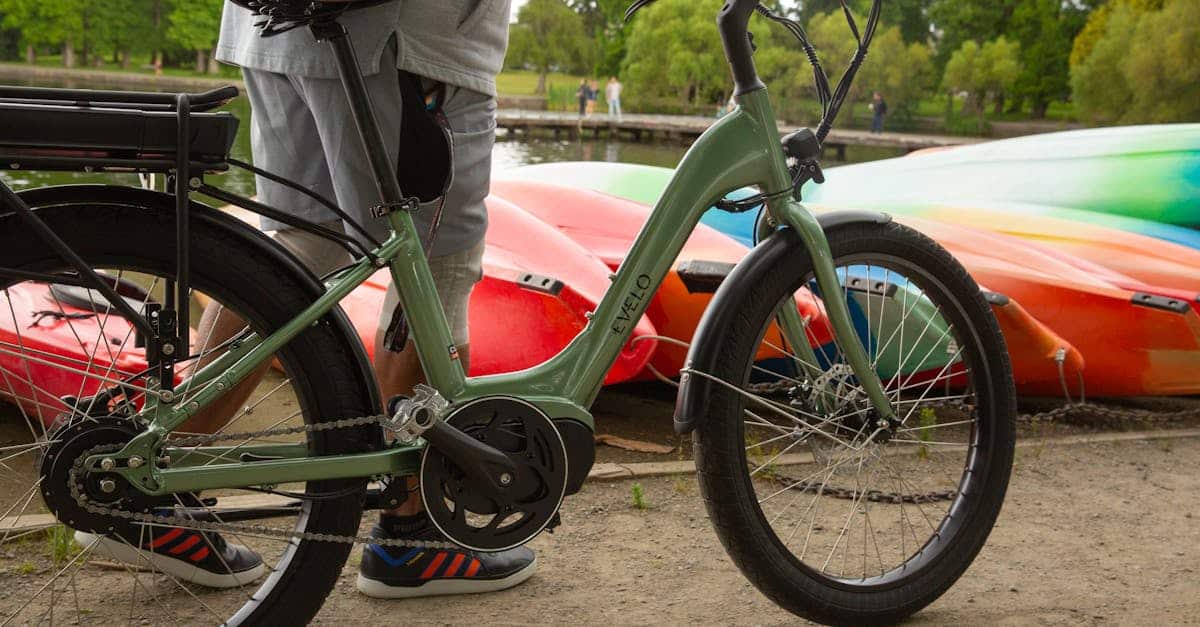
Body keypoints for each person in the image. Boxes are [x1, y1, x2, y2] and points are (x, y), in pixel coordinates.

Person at [78, 0, 537, 600]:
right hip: (404, 32)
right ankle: (415, 533)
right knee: (433, 263)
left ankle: (155, 478)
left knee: (298, 244)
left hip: (276, 23)